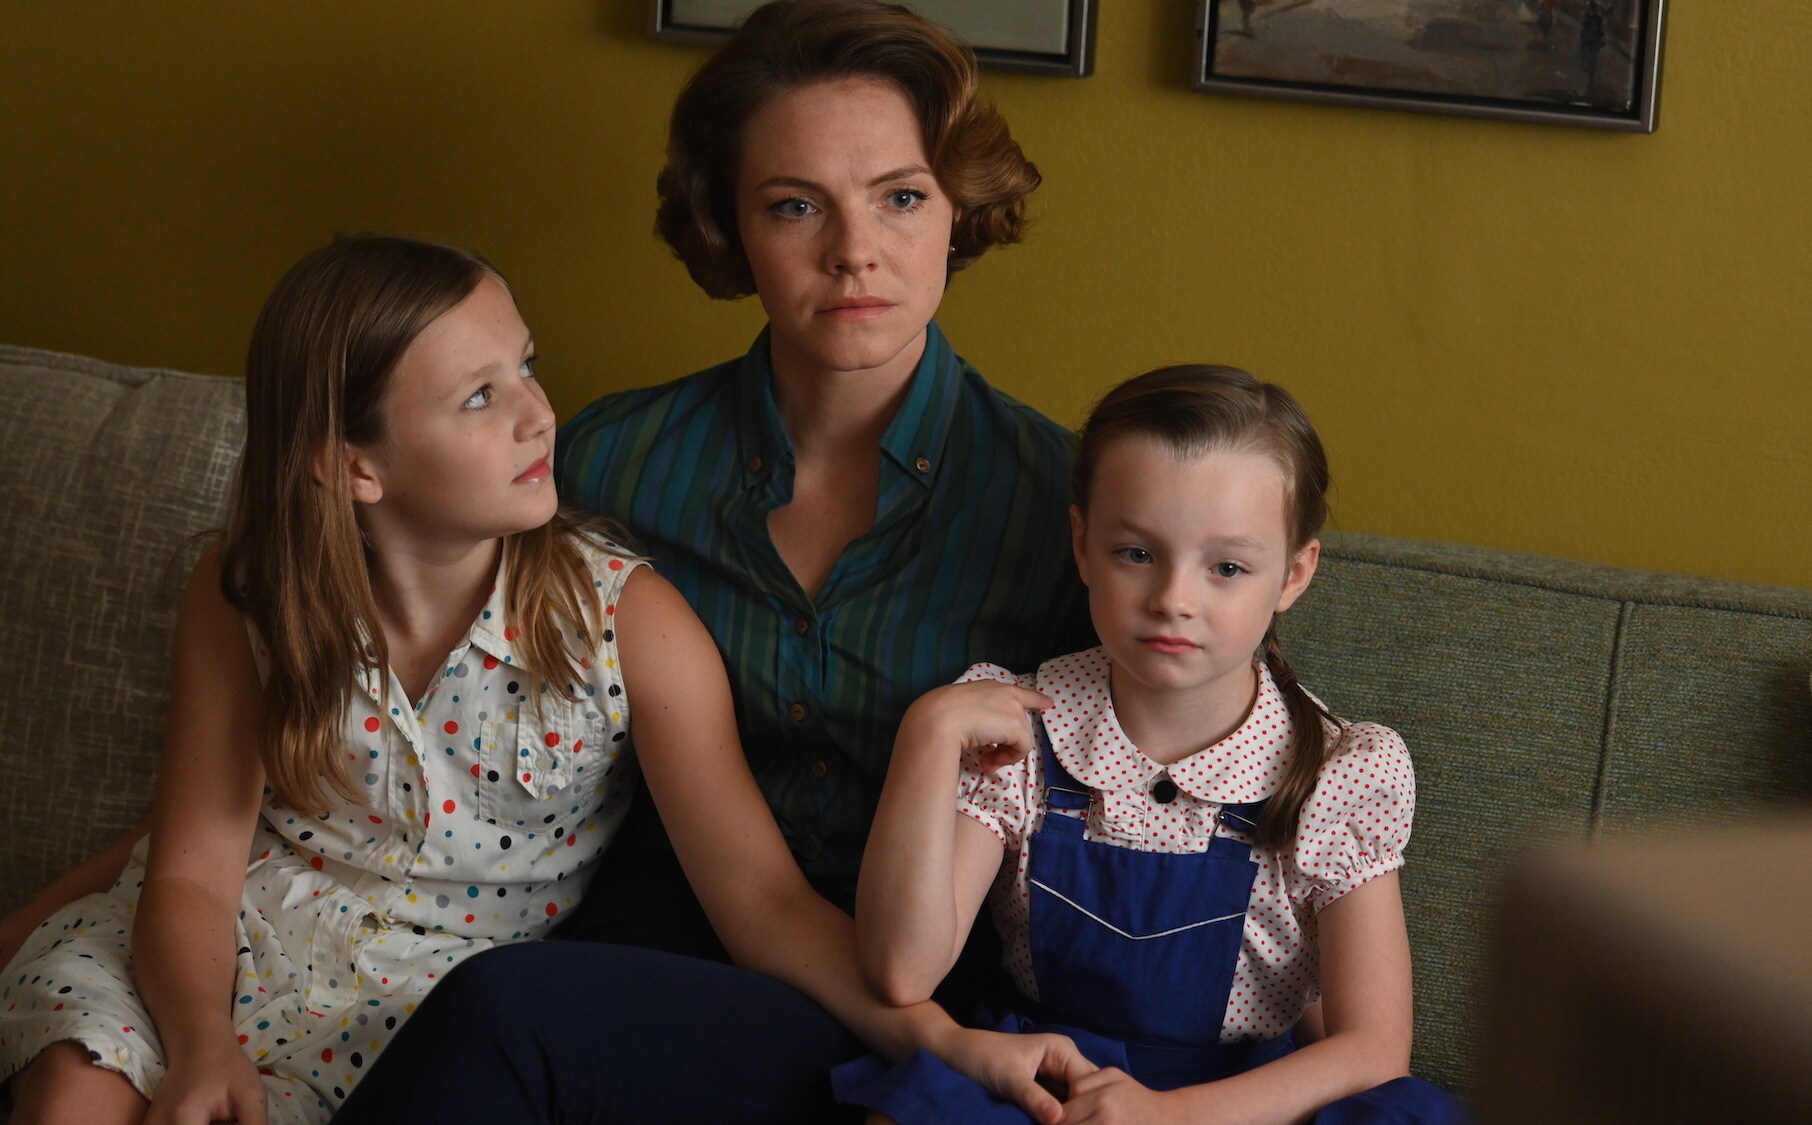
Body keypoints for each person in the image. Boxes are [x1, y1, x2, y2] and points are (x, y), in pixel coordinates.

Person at [330, 2, 1096, 1121]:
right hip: (651, 928)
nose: (853, 252)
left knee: (506, 1015)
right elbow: (387, 698)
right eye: (795, 207)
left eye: (899, 196)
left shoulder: (1060, 506)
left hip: (910, 971)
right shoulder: (607, 462)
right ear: (730, 230)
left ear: (957, 211)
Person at [0, 234, 659, 1123]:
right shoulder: (252, 591)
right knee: (76, 1091)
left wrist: (893, 1019)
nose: (539, 412)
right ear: (354, 465)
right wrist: (201, 1045)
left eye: (527, 366)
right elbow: (193, 870)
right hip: (206, 950)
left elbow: (759, 895)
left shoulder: (620, 619)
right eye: (479, 396)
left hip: (413, 1007)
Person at [836, 366, 1463, 1122]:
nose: (1174, 598)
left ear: (1294, 573)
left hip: (1240, 1098)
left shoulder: (1337, 771)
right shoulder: (1021, 731)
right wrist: (927, 735)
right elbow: (901, 971)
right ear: (1082, 543)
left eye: (1226, 567)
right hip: (1054, 1079)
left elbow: (1373, 1048)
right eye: (1137, 553)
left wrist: (1172, 1116)